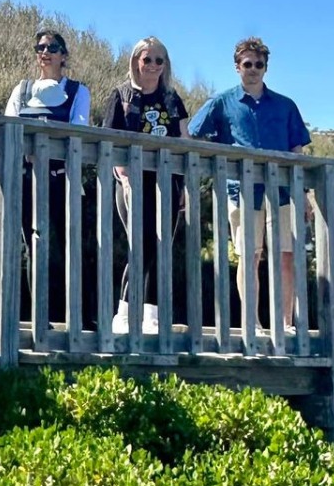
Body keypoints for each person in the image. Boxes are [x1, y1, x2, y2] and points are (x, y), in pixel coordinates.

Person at [188, 37, 310, 331]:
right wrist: (217, 155)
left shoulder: (285, 105)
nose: (253, 69)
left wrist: (303, 193)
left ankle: (285, 323)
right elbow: (192, 132)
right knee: (249, 256)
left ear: (266, 67)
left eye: (258, 64)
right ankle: (251, 322)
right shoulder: (221, 102)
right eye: (247, 64)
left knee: (286, 256)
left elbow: (297, 150)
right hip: (241, 190)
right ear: (237, 67)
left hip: (283, 192)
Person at [102, 37, 190, 336]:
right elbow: (110, 138)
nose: (152, 65)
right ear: (136, 61)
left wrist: (184, 185)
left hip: (168, 181)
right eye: (147, 59)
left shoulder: (172, 99)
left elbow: (183, 140)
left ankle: (151, 314)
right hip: (132, 180)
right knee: (140, 243)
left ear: (165, 65)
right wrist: (124, 174)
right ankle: (125, 311)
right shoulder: (122, 95)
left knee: (161, 245)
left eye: (158, 60)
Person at [5, 30, 91, 325]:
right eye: (40, 47)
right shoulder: (22, 89)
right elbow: (9, 126)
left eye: (52, 48)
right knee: (33, 246)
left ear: (63, 55)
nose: (45, 52)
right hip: (27, 178)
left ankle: (77, 317)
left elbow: (78, 130)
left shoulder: (78, 91)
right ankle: (39, 318)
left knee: (71, 246)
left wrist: (43, 145)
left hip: (63, 178)